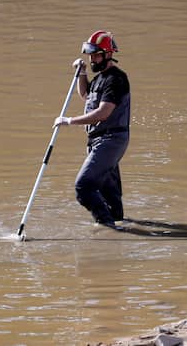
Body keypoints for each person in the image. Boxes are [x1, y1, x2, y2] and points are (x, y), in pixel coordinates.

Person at [53, 30, 131, 228]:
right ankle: (117, 221)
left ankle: (107, 228)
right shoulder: (99, 78)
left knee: (84, 186)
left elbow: (103, 112)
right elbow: (86, 95)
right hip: (99, 139)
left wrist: (69, 121)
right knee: (109, 194)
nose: (91, 59)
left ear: (107, 54)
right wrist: (82, 74)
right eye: (89, 55)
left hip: (111, 140)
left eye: (95, 55)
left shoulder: (116, 79)